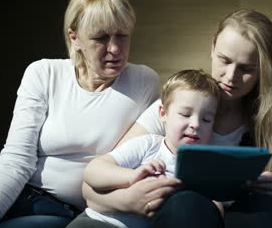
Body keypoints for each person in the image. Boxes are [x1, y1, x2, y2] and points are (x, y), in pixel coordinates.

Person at [0, 0, 183, 228]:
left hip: (69, 212)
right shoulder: (44, 73)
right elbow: (16, 160)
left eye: (122, 36)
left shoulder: (143, 81)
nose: (115, 49)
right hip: (16, 193)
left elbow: (129, 160)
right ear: (74, 37)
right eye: (101, 38)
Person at [79, 9, 272, 227]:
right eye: (224, 60)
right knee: (187, 204)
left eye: (246, 68)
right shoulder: (177, 106)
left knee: (262, 209)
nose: (231, 76)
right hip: (182, 214)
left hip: (240, 217)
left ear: (263, 69)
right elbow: (91, 187)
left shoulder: (270, 119)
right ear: (213, 47)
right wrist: (129, 201)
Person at [72, 69, 222, 228]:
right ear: (163, 114)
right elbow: (93, 171)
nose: (196, 124)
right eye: (185, 114)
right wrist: (132, 176)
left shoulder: (206, 167)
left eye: (206, 119)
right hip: (100, 221)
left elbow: (215, 207)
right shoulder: (149, 145)